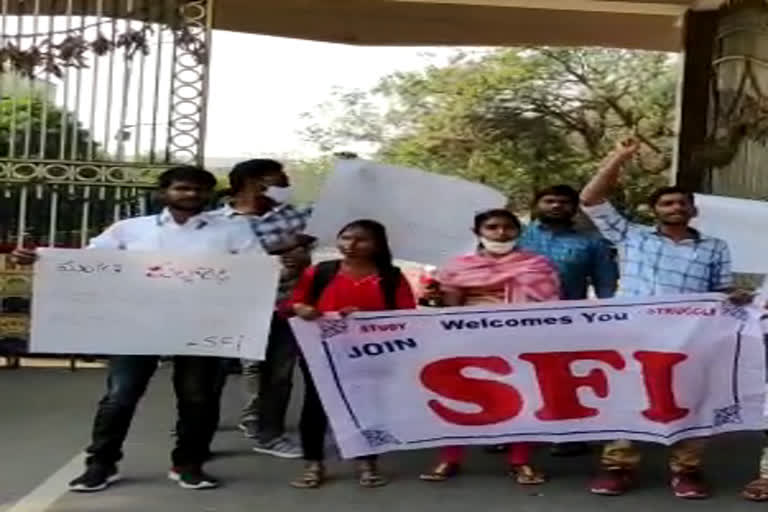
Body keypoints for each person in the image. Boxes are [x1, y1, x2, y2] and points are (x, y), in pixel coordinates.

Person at [11, 166, 261, 491]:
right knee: (120, 396)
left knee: (198, 398)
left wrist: (285, 268)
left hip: (202, 325)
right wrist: (39, 259)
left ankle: (189, 464)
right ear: (163, 193)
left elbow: (257, 270)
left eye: (200, 189)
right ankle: (101, 464)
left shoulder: (234, 230)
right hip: (137, 325)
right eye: (183, 188)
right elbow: (86, 263)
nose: (192, 194)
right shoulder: (130, 229)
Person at [580, 138, 741, 499]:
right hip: (632, 332)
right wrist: (618, 156)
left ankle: (687, 470)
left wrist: (737, 299)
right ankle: (618, 466)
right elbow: (590, 200)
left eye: (683, 203)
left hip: (688, 335)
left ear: (693, 211)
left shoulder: (714, 246)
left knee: (689, 397)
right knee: (629, 395)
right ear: (654, 210)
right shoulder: (631, 236)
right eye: (667, 202)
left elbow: (720, 292)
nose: (675, 207)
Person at [419, 209, 560, 485]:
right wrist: (434, 296)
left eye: (508, 228)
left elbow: (551, 305)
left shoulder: (538, 265)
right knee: (459, 398)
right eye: (492, 227)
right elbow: (449, 307)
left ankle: (521, 460)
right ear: (477, 232)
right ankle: (450, 458)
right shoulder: (458, 267)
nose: (500, 233)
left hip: (522, 340)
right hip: (467, 340)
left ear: (519, 232)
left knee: (525, 399)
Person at [290, 219, 417, 489]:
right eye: (346, 238)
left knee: (367, 406)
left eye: (361, 240)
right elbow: (294, 303)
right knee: (316, 407)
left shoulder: (391, 276)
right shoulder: (320, 272)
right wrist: (302, 308)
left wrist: (368, 318)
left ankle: (367, 461)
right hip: (322, 351)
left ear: (378, 244)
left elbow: (406, 315)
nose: (351, 245)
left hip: (371, 353)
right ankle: (313, 463)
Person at [211, 158, 313, 459]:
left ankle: (270, 434)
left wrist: (303, 258)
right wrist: (280, 252)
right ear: (256, 182)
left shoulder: (301, 215)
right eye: (280, 178)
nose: (287, 184)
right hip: (226, 309)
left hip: (281, 307)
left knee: (278, 375)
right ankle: (194, 435)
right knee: (208, 373)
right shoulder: (215, 222)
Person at [519, 184, 618, 457]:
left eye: (564, 202)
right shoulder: (517, 238)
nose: (556, 206)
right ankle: (515, 433)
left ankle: (567, 434)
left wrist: (611, 320)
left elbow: (605, 285)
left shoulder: (592, 242)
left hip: (567, 321)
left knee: (563, 378)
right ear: (537, 204)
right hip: (516, 320)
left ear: (575, 208)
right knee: (519, 375)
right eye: (549, 200)